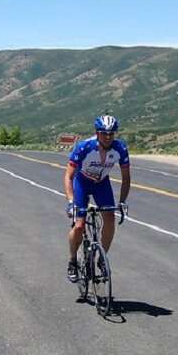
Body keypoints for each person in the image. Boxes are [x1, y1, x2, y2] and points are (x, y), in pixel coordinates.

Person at [64, 114, 131, 281]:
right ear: (97, 132)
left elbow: (126, 179)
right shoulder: (84, 147)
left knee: (110, 218)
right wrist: (71, 201)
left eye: (111, 133)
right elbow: (68, 177)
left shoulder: (120, 149)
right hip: (82, 183)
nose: (108, 137)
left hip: (101, 184)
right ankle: (72, 261)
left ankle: (102, 258)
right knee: (79, 226)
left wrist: (122, 202)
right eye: (103, 133)